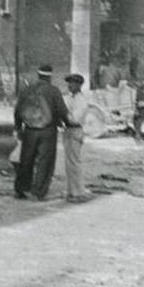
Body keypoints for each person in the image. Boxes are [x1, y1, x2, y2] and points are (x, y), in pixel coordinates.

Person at [13, 65, 79, 201]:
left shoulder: (27, 89)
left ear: (38, 75)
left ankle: (21, 189)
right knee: (45, 161)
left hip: (30, 130)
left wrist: (19, 128)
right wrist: (68, 124)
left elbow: (18, 110)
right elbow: (62, 110)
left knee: (26, 160)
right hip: (48, 131)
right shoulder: (53, 91)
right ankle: (38, 192)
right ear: (49, 76)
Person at [62, 73, 93, 203]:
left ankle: (79, 191)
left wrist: (63, 115)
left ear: (79, 85)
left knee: (74, 162)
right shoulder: (69, 98)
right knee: (69, 163)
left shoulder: (82, 101)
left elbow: (74, 119)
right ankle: (71, 190)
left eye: (72, 83)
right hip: (67, 131)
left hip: (75, 131)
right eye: (69, 83)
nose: (70, 86)